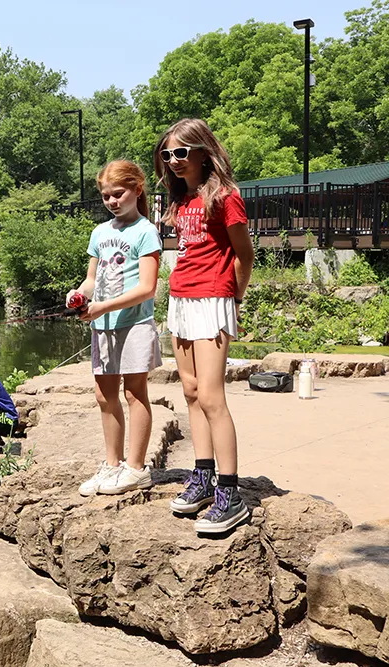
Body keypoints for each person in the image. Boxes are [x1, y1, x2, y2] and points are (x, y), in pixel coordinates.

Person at [154, 118, 254, 535]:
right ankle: (203, 475)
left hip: (213, 299)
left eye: (181, 152)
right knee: (191, 393)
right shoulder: (181, 200)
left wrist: (234, 298)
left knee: (213, 397)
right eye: (167, 155)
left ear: (202, 151)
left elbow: (244, 255)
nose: (174, 161)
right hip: (181, 298)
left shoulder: (225, 197)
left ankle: (230, 493)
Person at [67, 160, 162, 498]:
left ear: (137, 189)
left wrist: (103, 306)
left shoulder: (146, 231)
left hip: (134, 323)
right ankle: (112, 464)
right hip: (103, 326)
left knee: (134, 393)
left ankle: (136, 469)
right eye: (106, 196)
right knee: (103, 395)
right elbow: (92, 280)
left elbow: (148, 287)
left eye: (118, 194)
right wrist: (79, 295)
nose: (112, 201)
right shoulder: (100, 233)